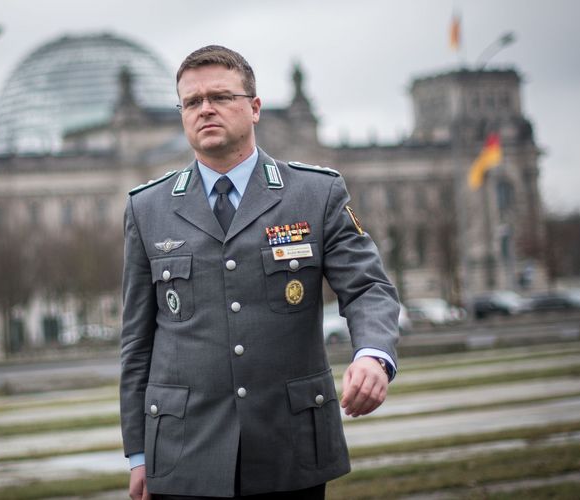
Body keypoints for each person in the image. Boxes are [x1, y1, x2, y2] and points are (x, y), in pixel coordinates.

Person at [120, 45, 399, 499]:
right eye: (192, 101)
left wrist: (372, 354)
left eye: (221, 97)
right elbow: (137, 341)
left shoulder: (315, 193)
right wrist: (138, 453)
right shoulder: (147, 208)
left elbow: (368, 287)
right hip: (183, 452)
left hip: (289, 448)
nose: (205, 109)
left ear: (254, 108)